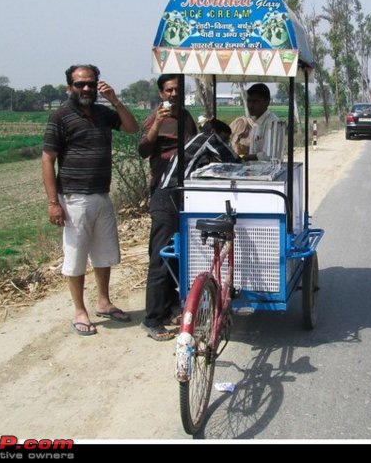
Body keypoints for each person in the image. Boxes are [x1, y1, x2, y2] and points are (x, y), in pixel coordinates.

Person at [42, 64, 139, 337]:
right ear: (69, 87)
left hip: (101, 194)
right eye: (80, 84)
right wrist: (53, 202)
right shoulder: (61, 116)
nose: (86, 89)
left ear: (98, 85)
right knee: (76, 256)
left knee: (103, 254)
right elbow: (48, 159)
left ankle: (104, 302)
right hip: (74, 198)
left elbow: (132, 128)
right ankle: (79, 311)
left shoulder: (102, 112)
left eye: (90, 84)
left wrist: (115, 101)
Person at [142, 118, 240, 341]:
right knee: (160, 262)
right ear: (216, 132)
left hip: (174, 200)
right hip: (168, 201)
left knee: (175, 258)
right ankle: (152, 320)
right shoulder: (207, 139)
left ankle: (168, 310)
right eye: (225, 138)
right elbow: (232, 160)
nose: (224, 142)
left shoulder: (192, 143)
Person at [137, 74, 198, 196]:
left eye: (177, 90)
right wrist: (157, 123)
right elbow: (143, 151)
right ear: (161, 93)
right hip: (163, 181)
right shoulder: (155, 118)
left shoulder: (185, 115)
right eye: (169, 90)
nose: (174, 94)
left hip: (185, 180)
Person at [237, 83, 283, 162]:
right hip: (255, 171)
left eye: (255, 101)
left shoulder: (273, 123)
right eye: (249, 101)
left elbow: (269, 155)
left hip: (268, 172)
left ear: (266, 102)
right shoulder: (255, 123)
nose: (250, 106)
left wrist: (246, 157)